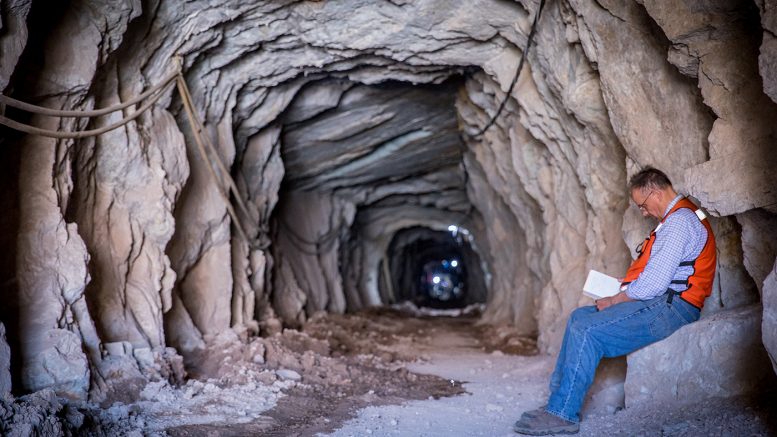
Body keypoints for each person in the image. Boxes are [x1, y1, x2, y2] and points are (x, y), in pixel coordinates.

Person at [513, 167, 717, 435]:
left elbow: (654, 284)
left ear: (655, 192)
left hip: (672, 307)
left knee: (587, 331)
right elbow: (655, 277)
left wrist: (616, 299)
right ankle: (557, 402)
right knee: (578, 317)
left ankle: (563, 414)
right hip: (662, 302)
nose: (643, 212)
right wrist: (622, 290)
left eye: (642, 205)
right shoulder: (677, 219)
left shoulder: (678, 223)